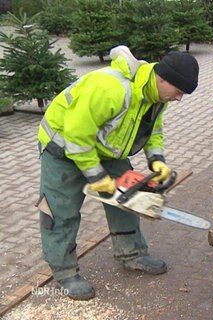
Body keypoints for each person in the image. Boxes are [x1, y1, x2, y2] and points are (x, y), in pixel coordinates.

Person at [36, 46, 199, 300]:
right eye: (178, 92)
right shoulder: (111, 88)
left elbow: (153, 131)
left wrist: (157, 162)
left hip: (104, 149)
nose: (179, 98)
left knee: (128, 197)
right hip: (62, 145)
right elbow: (77, 137)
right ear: (162, 78)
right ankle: (64, 272)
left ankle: (132, 254)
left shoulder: (157, 97)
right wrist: (97, 177)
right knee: (60, 211)